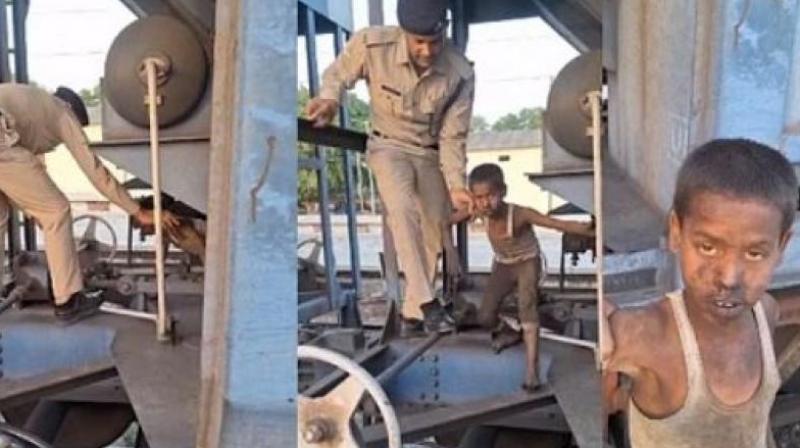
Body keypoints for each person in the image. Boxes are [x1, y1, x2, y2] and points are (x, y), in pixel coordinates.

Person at [602, 139, 800, 447]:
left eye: (755, 254)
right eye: (708, 247)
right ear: (676, 232)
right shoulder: (644, 335)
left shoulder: (766, 311)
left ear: (781, 247)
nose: (730, 278)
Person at [305, 0, 475, 335]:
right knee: (402, 209)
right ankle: (427, 303)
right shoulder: (372, 44)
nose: (427, 51)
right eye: (419, 42)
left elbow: (454, 136)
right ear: (403, 34)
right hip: (387, 146)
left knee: (434, 226)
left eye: (434, 42)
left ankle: (412, 314)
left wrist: (456, 185)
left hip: (428, 153)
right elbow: (338, 74)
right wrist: (329, 99)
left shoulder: (461, 72)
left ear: (445, 31)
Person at [0, 83, 178, 323]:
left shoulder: (31, 103)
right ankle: (68, 301)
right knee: (56, 211)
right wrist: (137, 211)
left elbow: (24, 179)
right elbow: (94, 170)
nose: (57, 145)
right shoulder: (62, 112)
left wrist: (35, 212)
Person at [462, 163, 594, 391]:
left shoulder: (519, 214)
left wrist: (589, 229)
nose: (485, 203)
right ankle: (511, 331)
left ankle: (531, 370)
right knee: (485, 316)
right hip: (503, 264)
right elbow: (447, 220)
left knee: (527, 306)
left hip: (527, 262)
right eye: (479, 197)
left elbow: (555, 223)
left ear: (503, 191)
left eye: (490, 196)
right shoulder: (478, 211)